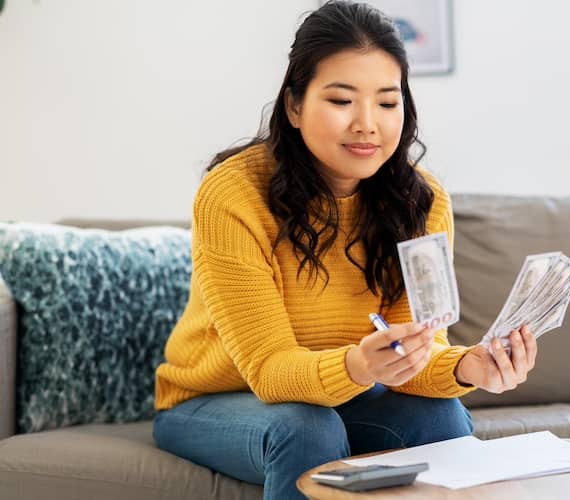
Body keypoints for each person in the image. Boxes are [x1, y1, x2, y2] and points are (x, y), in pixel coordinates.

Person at [152, 1, 538, 498]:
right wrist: (359, 366)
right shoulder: (233, 194)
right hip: (215, 400)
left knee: (440, 414)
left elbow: (416, 355)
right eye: (341, 101)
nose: (367, 124)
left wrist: (470, 367)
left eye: (386, 101)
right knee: (307, 427)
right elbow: (270, 372)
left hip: (344, 393)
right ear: (293, 105)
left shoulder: (421, 201)